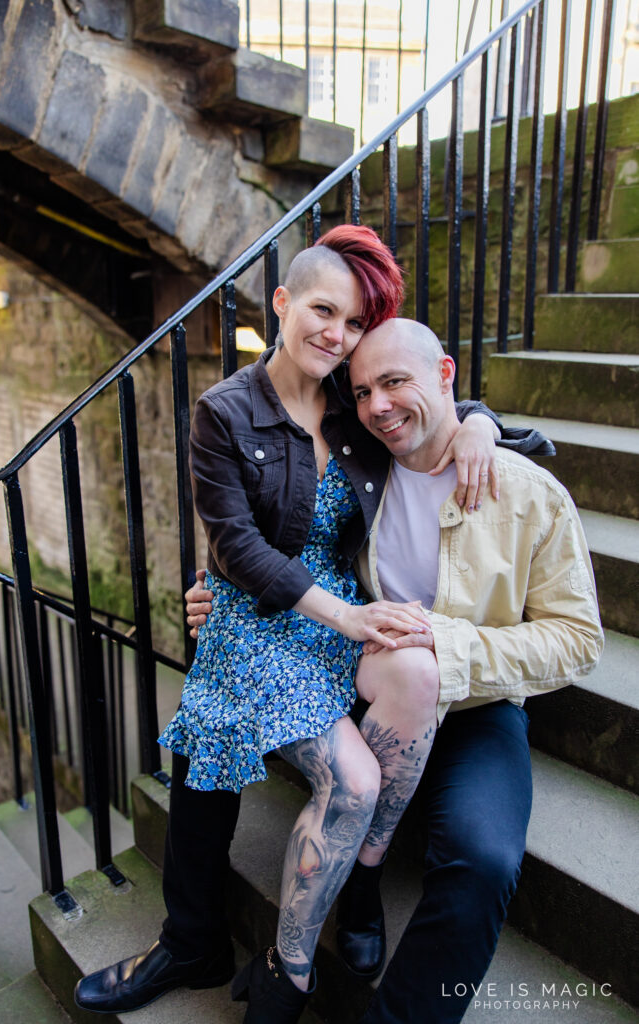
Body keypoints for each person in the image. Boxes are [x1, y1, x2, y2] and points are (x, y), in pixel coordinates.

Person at [74, 229, 502, 1020]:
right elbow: (234, 543)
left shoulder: (352, 399)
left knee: (407, 676)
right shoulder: (224, 411)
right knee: (215, 733)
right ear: (281, 302)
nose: (335, 336)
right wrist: (339, 614)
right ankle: (191, 940)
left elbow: (429, 400)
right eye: (321, 311)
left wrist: (479, 421)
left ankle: (355, 885)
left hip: (338, 603)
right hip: (266, 611)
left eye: (350, 324)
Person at [186, 318, 604, 1024]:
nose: (378, 405)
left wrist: (446, 647)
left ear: (445, 375)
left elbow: (577, 639)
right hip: (365, 682)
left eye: (395, 382)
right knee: (214, 713)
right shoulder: (359, 465)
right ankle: (321, 900)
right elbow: (276, 530)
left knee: (482, 860)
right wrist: (213, 589)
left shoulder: (527, 493)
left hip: (476, 702)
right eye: (363, 390)